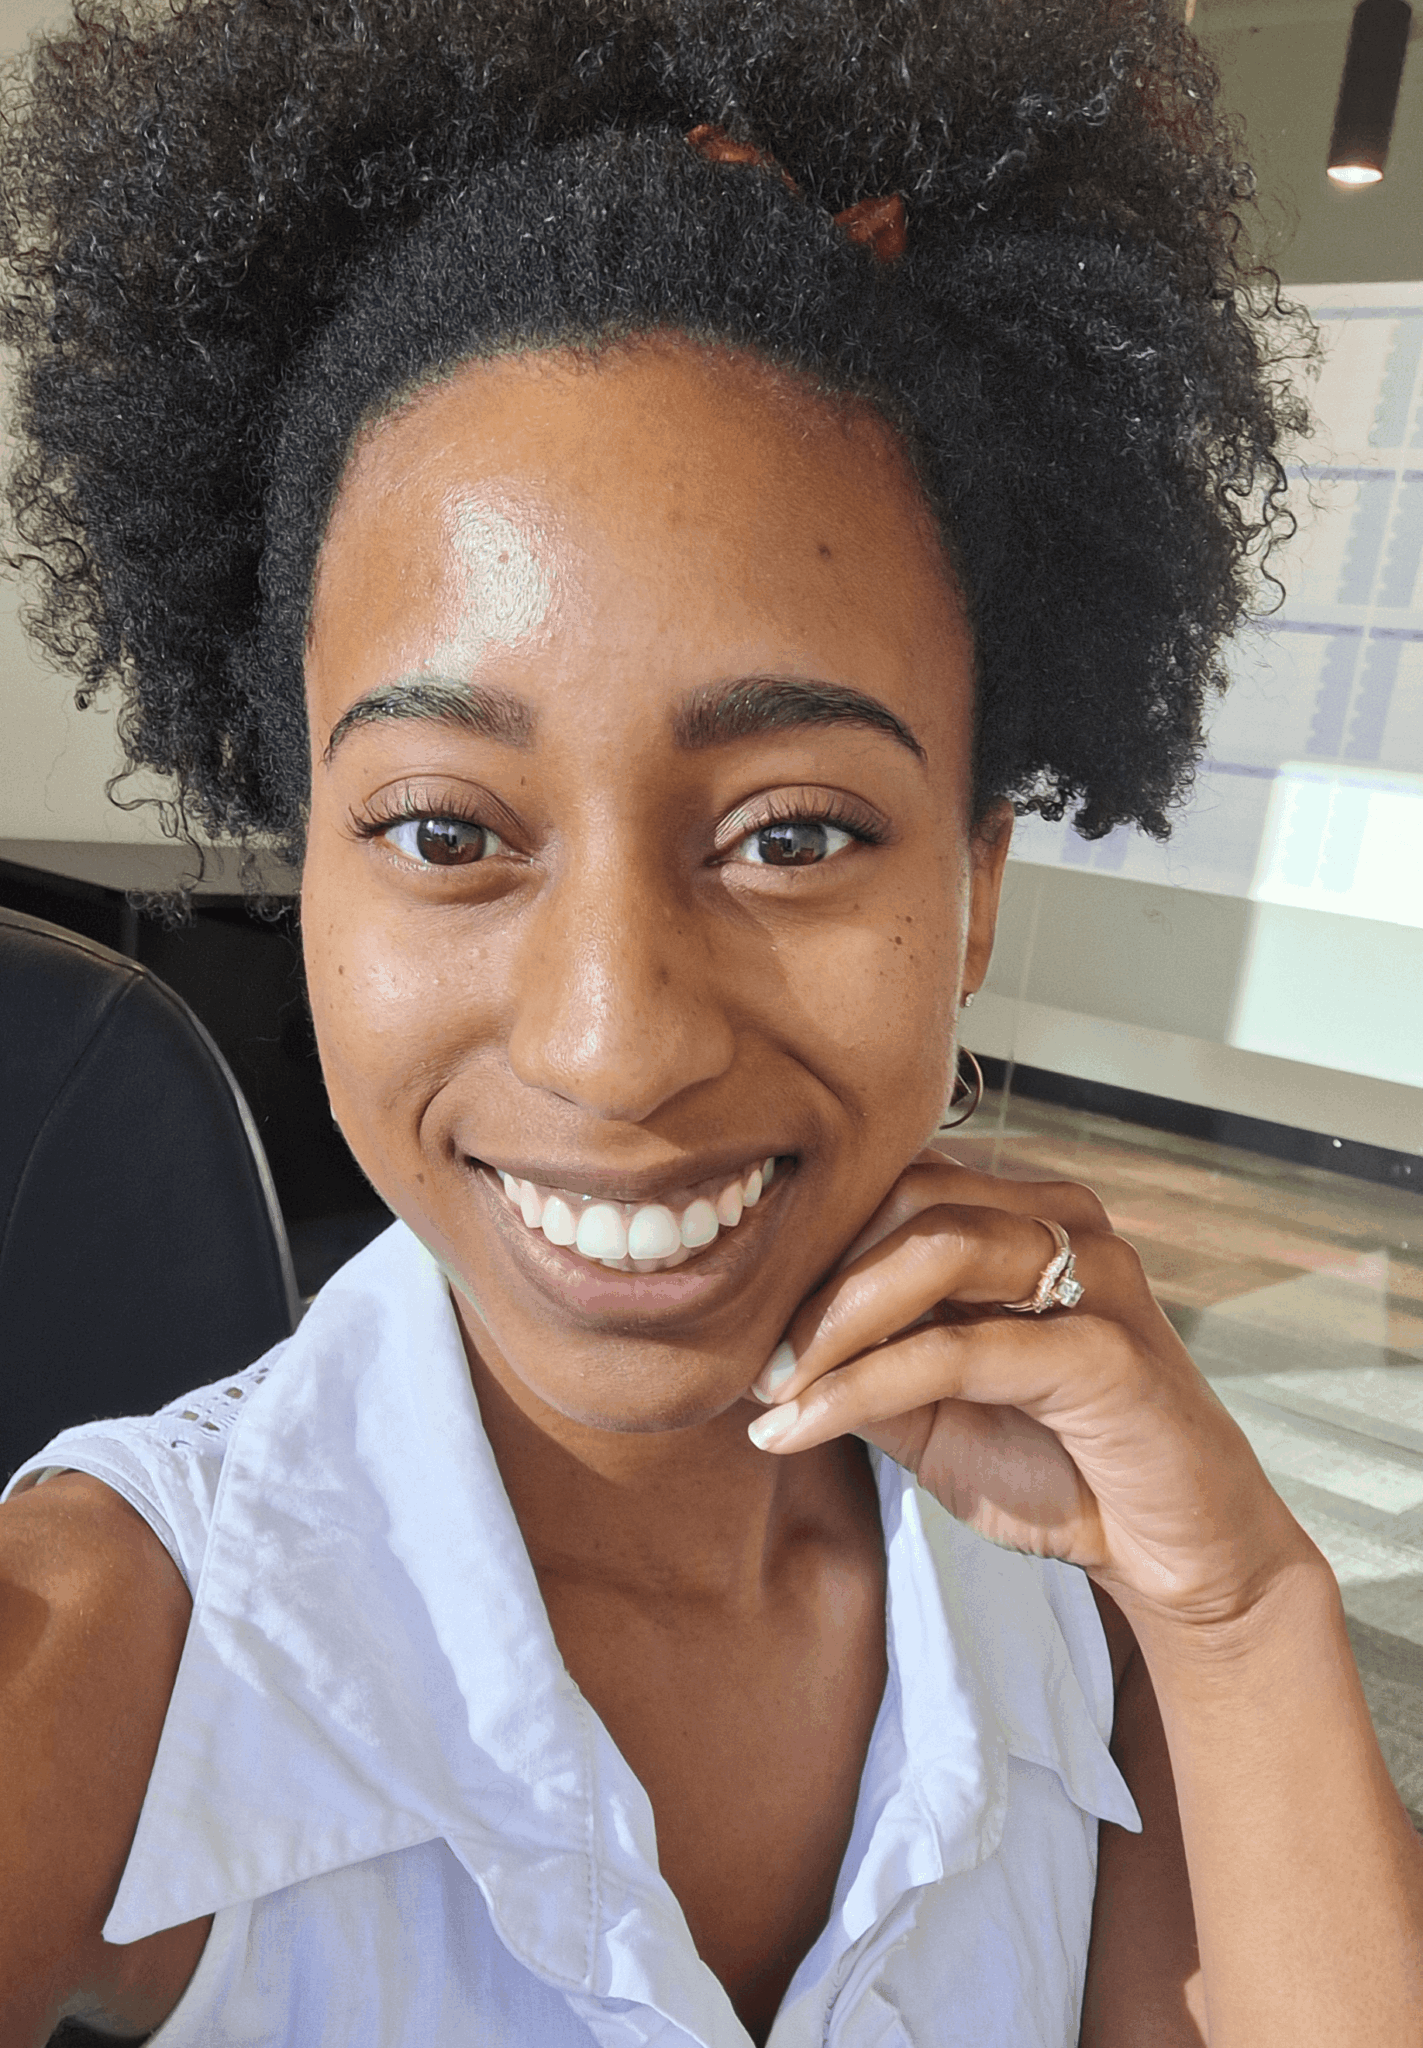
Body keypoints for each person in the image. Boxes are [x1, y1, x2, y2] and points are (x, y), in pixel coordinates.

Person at [0, 1, 1419, 2043]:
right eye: (445, 831)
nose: (614, 1041)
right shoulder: (124, 1646)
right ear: (304, 855)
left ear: (977, 886)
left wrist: (1246, 1613)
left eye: (794, 832)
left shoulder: (1082, 1594)